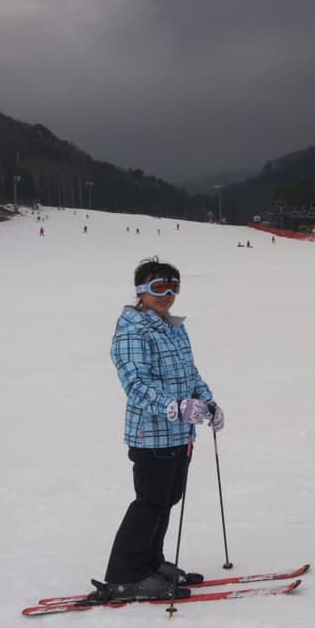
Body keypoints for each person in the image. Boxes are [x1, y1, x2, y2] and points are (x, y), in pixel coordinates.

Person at [92, 257, 226, 601]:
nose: (167, 294)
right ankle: (126, 575)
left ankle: (151, 562)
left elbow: (189, 373)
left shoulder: (173, 327)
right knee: (150, 502)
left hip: (181, 433)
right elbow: (136, 383)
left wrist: (207, 401)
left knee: (167, 498)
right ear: (141, 291)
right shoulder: (132, 330)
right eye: (157, 287)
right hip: (150, 434)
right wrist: (175, 406)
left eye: (173, 287)